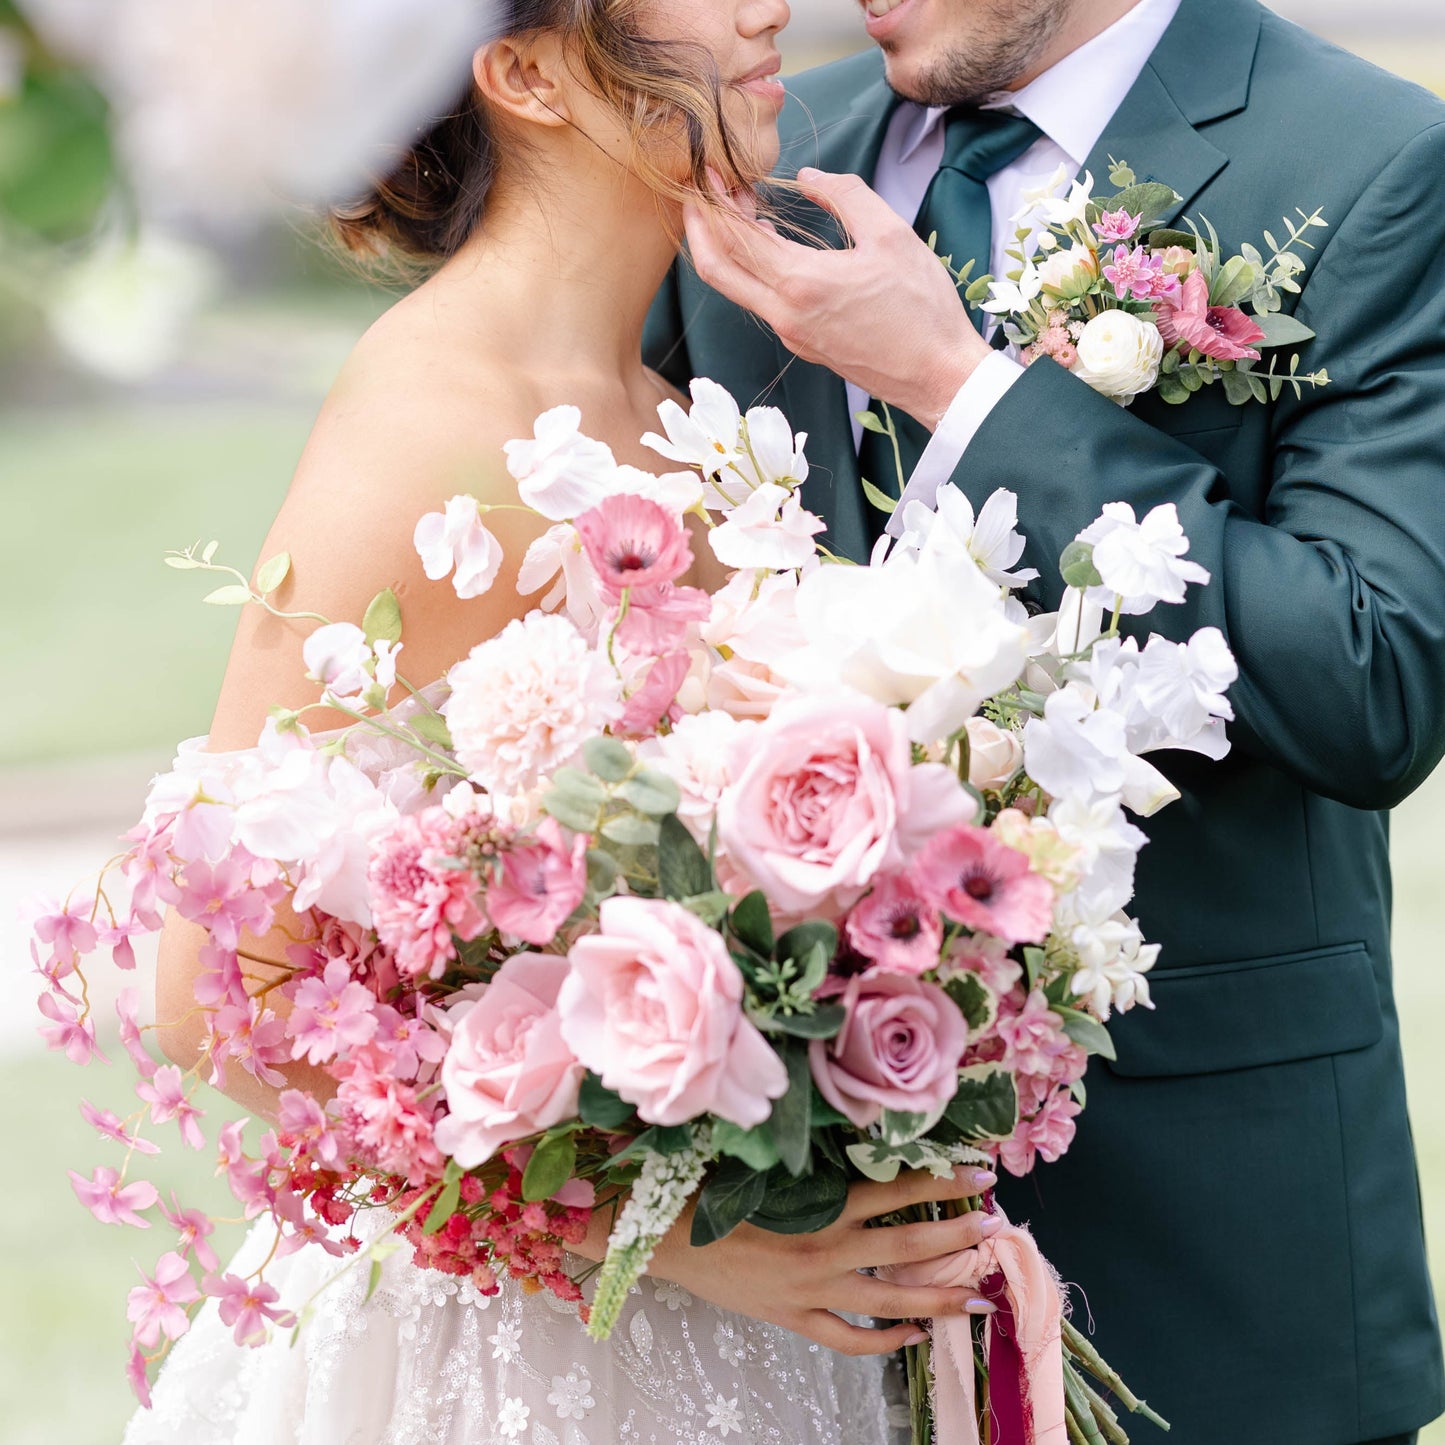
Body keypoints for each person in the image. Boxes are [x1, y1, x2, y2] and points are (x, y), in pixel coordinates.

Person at [128, 2, 1007, 1442]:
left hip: (769, 1336)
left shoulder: (677, 418)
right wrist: (665, 1238)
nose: (764, 5)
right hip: (505, 1356)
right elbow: (208, 991)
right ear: (526, 71)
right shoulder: (425, 420)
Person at [644, 0, 1445, 1442]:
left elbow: (1370, 676)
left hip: (1203, 1262)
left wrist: (962, 387)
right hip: (781, 1280)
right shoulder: (755, 160)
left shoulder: (1372, 161)